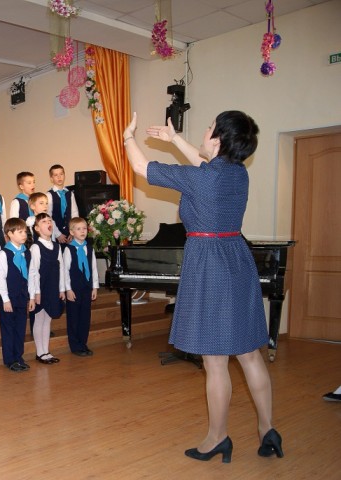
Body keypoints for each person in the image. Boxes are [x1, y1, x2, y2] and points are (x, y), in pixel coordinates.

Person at [124, 110, 283, 463]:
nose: (205, 129)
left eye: (210, 126)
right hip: (237, 259)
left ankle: (217, 438)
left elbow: (140, 167)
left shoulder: (203, 178)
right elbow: (205, 163)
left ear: (218, 138)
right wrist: (174, 140)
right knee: (249, 354)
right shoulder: (237, 173)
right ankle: (268, 429)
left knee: (215, 360)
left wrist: (127, 137)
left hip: (210, 264)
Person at [0, 218, 35, 372]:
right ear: (10, 234)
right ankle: (10, 359)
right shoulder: (4, 253)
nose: (24, 234)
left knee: (20, 328)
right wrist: (5, 299)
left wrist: (31, 297)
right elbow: (0, 278)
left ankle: (19, 357)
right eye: (20, 232)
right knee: (8, 329)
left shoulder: (27, 253)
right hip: (10, 298)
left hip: (22, 296)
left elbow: (31, 275)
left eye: (25, 231)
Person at [29, 213, 65, 364]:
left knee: (48, 320)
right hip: (41, 288)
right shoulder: (36, 247)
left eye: (50, 221)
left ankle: (46, 351)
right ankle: (40, 352)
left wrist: (62, 289)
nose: (48, 223)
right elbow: (34, 272)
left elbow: (61, 269)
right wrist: (36, 292)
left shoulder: (57, 246)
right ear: (37, 228)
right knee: (39, 319)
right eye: (44, 221)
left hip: (52, 287)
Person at [63, 217, 99, 357]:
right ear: (72, 232)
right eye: (78, 229)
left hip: (87, 287)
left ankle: (83, 343)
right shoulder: (69, 249)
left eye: (84, 228)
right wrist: (68, 289)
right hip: (74, 289)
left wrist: (94, 287)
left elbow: (94, 268)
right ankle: (75, 346)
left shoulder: (89, 248)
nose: (82, 231)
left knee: (85, 317)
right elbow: (65, 271)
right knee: (74, 318)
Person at [46, 164, 78, 244]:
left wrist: (73, 231)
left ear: (64, 175)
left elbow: (74, 213)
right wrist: (58, 234)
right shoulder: (49, 195)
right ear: (51, 179)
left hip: (70, 233)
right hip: (55, 234)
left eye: (61, 174)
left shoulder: (70, 194)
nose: (59, 177)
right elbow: (48, 217)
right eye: (56, 175)